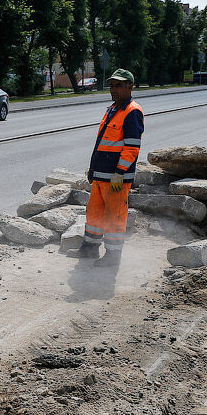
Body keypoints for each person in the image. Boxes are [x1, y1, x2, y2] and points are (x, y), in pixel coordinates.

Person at [76, 68, 144, 267]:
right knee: (94, 213)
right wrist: (93, 169)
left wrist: (120, 172)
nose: (113, 90)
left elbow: (132, 147)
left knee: (114, 216)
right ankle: (89, 248)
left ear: (130, 87)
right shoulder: (112, 109)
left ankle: (113, 256)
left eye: (118, 86)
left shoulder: (132, 112)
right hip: (101, 176)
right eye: (112, 86)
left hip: (116, 178)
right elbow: (101, 143)